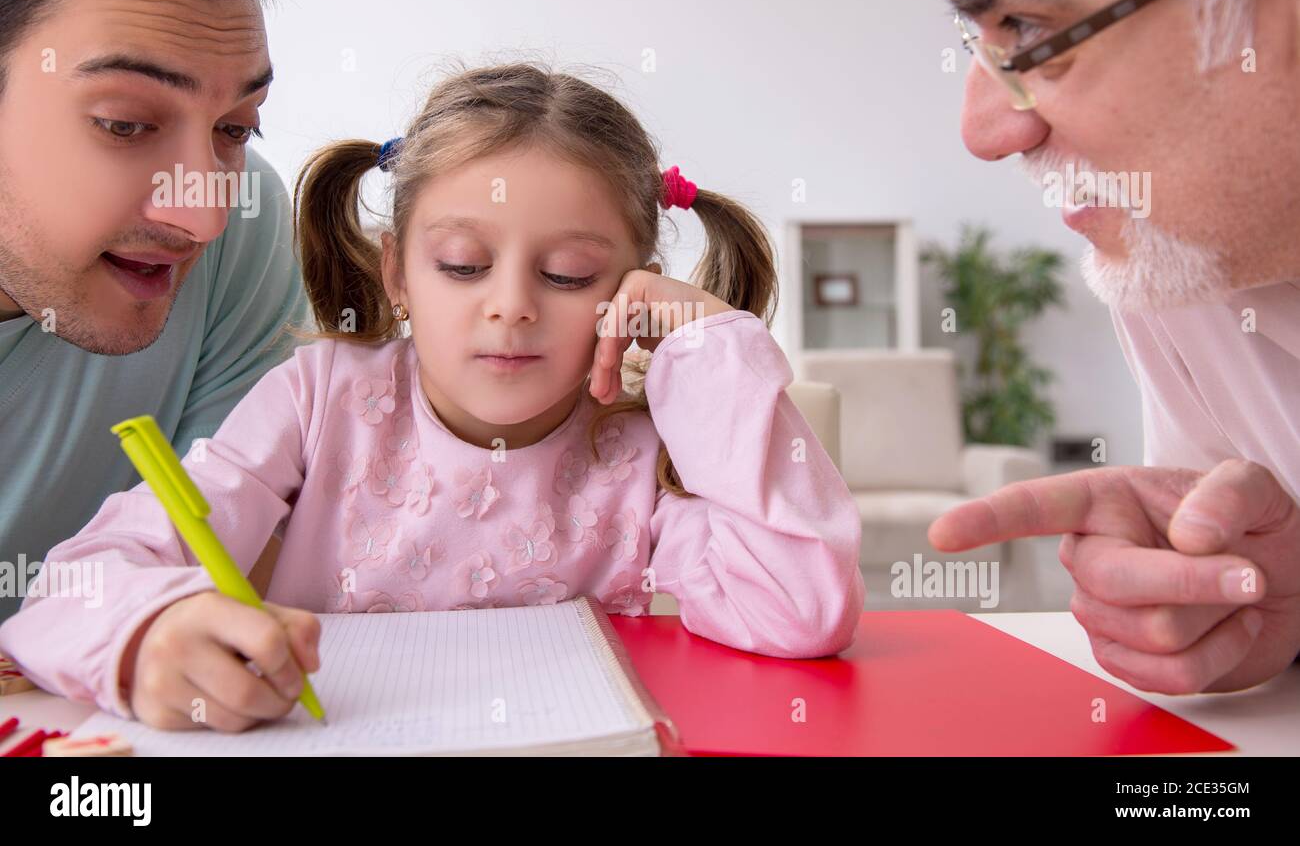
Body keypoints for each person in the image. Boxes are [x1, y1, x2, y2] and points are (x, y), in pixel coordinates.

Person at [0, 63, 865, 732]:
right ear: (398, 274)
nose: (511, 304)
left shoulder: (633, 450)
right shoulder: (320, 398)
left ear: (631, 288)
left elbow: (799, 614)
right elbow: (71, 590)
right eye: (462, 264)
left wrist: (712, 353)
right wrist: (149, 635)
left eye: (568, 274)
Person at [931, 0, 1300, 694]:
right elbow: (1237, 567)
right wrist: (1266, 605)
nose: (985, 130)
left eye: (1027, 30)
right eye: (979, 36)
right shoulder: (1182, 261)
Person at [0, 0, 310, 622]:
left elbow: (216, 577)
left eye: (237, 128)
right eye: (126, 124)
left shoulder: (244, 234)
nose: (202, 215)